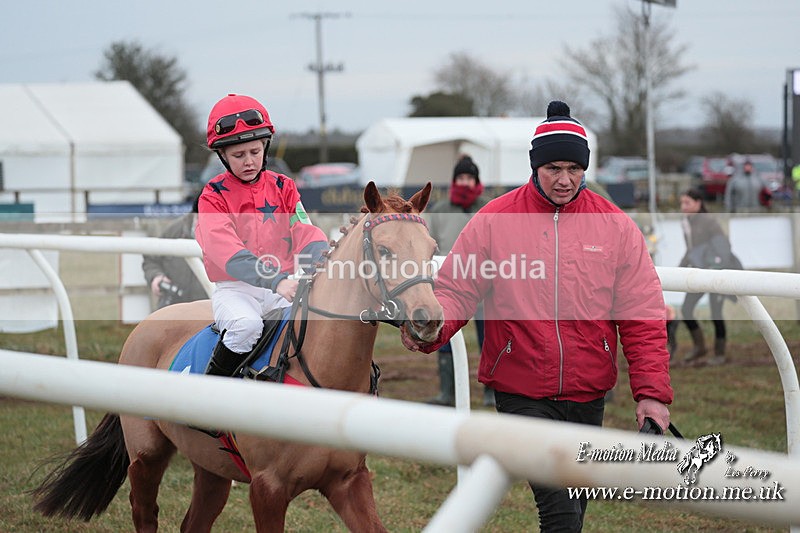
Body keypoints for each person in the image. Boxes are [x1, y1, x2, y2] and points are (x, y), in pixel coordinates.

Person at [401, 101, 672, 532]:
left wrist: (652, 394)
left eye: (574, 169)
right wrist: (429, 329)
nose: (565, 180)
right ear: (534, 166)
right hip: (520, 389)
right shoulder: (494, 220)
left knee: (573, 514)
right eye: (553, 169)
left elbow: (642, 315)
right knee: (559, 511)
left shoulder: (616, 226)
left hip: (588, 392)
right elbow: (456, 290)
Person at [196, 94, 328, 377]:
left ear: (265, 147)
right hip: (236, 291)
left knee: (318, 319)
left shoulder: (283, 186)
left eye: (255, 152)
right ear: (222, 156)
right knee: (247, 326)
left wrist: (324, 262)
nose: (249, 162)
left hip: (281, 287)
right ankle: (210, 392)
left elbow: (304, 230)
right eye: (239, 155)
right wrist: (275, 280)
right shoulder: (212, 195)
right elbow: (225, 250)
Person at [425, 154, 493, 407]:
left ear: (476, 181)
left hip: (485, 286)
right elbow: (430, 243)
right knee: (444, 336)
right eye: (461, 178)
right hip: (450, 286)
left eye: (469, 178)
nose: (465, 182)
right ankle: (448, 392)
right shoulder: (440, 210)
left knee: (490, 341)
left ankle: (492, 392)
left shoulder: (488, 208)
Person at [677, 188, 740, 365]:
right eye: (682, 203)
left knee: (716, 313)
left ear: (698, 203)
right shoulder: (686, 223)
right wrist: (679, 269)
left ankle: (720, 353)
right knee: (686, 309)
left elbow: (724, 246)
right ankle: (700, 347)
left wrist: (717, 268)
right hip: (699, 274)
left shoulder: (709, 221)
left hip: (715, 274)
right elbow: (690, 250)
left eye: (687, 203)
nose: (683, 207)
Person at [141, 195, 208, 309]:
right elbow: (151, 258)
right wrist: (156, 277)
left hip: (210, 310)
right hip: (172, 306)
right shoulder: (174, 230)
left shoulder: (230, 233)